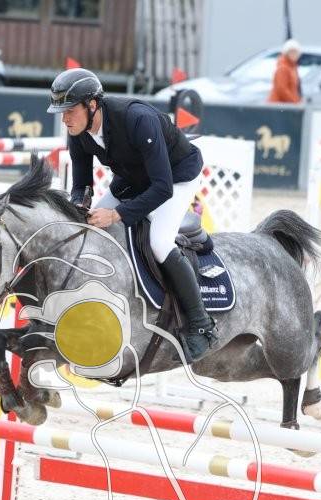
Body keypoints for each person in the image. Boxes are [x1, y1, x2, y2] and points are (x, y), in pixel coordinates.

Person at [49, 67, 215, 362]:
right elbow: (81, 186)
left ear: (92, 105)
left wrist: (115, 216)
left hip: (176, 177)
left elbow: (162, 187)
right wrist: (79, 208)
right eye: (62, 112)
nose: (65, 119)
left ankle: (201, 324)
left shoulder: (138, 119)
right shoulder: (78, 133)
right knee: (87, 230)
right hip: (133, 179)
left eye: (70, 110)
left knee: (159, 242)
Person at [268, 39, 303, 104]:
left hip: (287, 105)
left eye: (295, 52)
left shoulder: (293, 68)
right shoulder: (283, 68)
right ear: (286, 53)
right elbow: (281, 89)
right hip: (279, 105)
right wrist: (294, 102)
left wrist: (297, 100)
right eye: (291, 52)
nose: (294, 54)